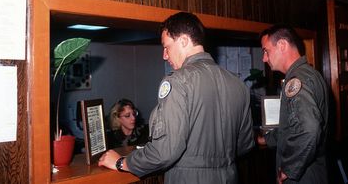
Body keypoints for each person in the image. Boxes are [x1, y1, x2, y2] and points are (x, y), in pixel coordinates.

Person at [98, 11, 255, 184]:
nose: (164, 56)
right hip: (230, 176)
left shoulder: (178, 81)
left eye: (166, 47)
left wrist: (122, 162)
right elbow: (245, 144)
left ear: (184, 41)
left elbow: (164, 151)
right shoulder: (237, 84)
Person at [257, 24, 329, 184]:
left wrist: (289, 168)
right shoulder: (310, 73)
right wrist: (266, 140)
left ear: (282, 45)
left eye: (266, 51)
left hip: (303, 176)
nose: (264, 58)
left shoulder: (296, 80)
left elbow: (309, 129)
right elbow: (291, 125)